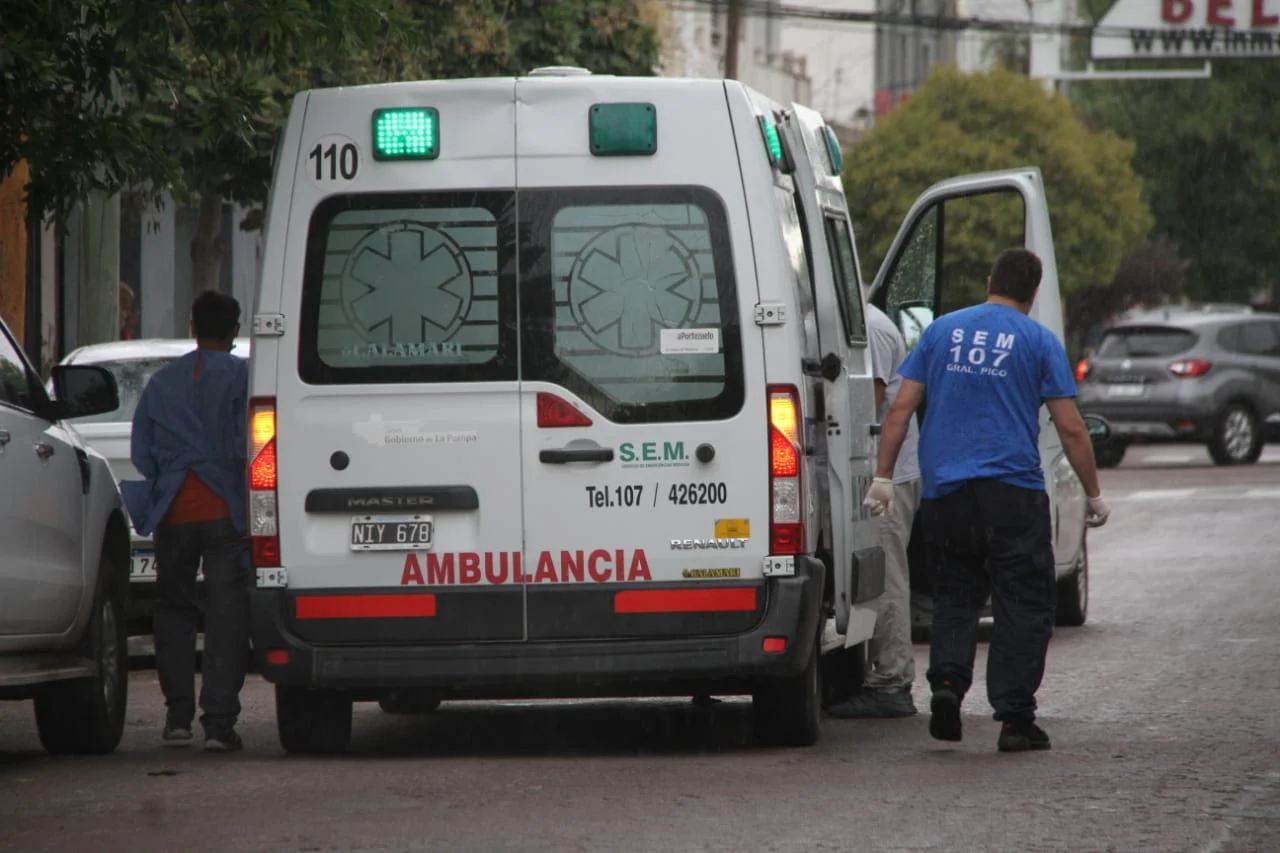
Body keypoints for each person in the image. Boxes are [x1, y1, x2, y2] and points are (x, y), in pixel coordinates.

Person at [863, 248, 1110, 753]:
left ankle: (948, 686)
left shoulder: (939, 333)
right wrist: (1094, 493)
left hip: (947, 493)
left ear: (988, 280)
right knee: (1023, 599)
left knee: (955, 591)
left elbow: (900, 408)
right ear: (1034, 293)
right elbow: (1070, 429)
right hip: (1012, 493)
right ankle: (1015, 718)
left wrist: (883, 477)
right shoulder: (1039, 342)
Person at [121, 291, 250, 752]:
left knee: (174, 609)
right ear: (235, 330)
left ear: (193, 327)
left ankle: (177, 719)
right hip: (225, 511)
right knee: (225, 614)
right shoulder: (244, 377)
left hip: (174, 512)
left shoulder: (163, 383)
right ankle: (218, 724)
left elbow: (142, 453)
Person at [828, 302, 921, 719]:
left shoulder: (875, 330)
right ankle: (876, 674)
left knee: (886, 577)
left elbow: (870, 404)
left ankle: (892, 681)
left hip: (887, 475)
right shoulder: (858, 323)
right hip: (874, 472)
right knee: (874, 575)